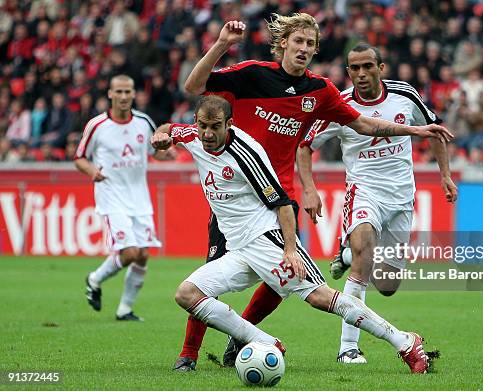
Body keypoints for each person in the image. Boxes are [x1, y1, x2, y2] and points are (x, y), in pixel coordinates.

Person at [176, 13, 453, 371]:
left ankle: (246, 338)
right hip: (237, 203)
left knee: (292, 286)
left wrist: (415, 132)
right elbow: (193, 88)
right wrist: (222, 44)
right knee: (211, 281)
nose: (304, 49)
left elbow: (365, 123)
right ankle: (189, 355)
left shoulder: (319, 90)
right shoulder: (253, 74)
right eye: (298, 42)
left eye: (310, 44)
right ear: (283, 44)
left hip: (278, 206)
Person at [152, 95, 432, 374]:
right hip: (239, 248)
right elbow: (168, 129)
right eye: (202, 126)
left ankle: (405, 341)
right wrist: (160, 137)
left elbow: (282, 204)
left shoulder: (245, 155)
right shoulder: (193, 137)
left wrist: (290, 250)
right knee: (188, 294)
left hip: (267, 239)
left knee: (320, 297)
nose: (208, 134)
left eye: (215, 127)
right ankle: (265, 342)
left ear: (229, 124)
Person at [297, 43, 458, 364]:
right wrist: (310, 189)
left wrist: (445, 176)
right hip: (363, 192)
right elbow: (304, 145)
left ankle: (345, 253)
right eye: (354, 68)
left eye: (368, 66)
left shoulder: (405, 96)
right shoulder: (338, 105)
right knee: (363, 255)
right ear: (348, 72)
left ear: (380, 68)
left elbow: (435, 132)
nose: (361, 74)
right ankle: (348, 348)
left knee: (386, 285)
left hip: (401, 197)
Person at [75, 74, 175, 321]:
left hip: (140, 199)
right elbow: (79, 157)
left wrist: (169, 153)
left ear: (133, 94)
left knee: (142, 254)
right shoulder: (97, 125)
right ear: (110, 94)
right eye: (118, 92)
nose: (123, 97)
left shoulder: (143, 122)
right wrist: (93, 172)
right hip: (112, 197)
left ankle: (125, 309)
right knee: (130, 252)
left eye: (127, 92)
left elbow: (156, 152)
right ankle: (95, 279)